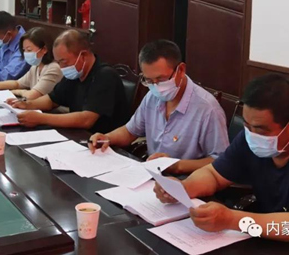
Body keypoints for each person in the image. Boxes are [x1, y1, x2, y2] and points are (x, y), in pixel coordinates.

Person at [154, 74, 289, 254]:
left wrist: (232, 219)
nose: (251, 134)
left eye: (260, 129)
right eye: (247, 125)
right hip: (272, 241)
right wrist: (183, 188)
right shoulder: (251, 137)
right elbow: (214, 174)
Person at [88, 40, 229, 174]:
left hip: (188, 181)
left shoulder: (207, 109)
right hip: (152, 174)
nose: (156, 86)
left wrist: (177, 166)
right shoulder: (152, 96)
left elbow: (221, 162)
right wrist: (107, 138)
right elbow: (130, 131)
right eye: (149, 80)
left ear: (180, 70)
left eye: (161, 79)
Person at [12, 29, 129, 133]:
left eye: (64, 62)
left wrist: (41, 118)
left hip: (104, 142)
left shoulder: (105, 76)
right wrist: (27, 104)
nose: (61, 67)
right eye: (58, 62)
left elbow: (86, 119)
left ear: (83, 55)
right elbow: (52, 100)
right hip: (79, 135)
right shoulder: (75, 75)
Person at [0, 27, 62, 99]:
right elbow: (17, 83)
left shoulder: (53, 68)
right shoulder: (35, 66)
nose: (26, 53)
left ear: (44, 49)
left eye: (29, 50)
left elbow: (32, 95)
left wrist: (17, 91)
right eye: (24, 50)